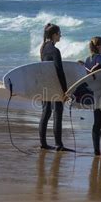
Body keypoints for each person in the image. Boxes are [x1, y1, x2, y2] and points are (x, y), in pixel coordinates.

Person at [39, 23, 71, 152]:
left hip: (44, 85)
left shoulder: (43, 48)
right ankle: (59, 144)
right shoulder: (54, 50)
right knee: (58, 113)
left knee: (46, 113)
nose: (61, 36)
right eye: (59, 34)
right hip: (55, 85)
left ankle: (43, 144)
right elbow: (60, 72)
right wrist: (65, 91)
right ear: (54, 35)